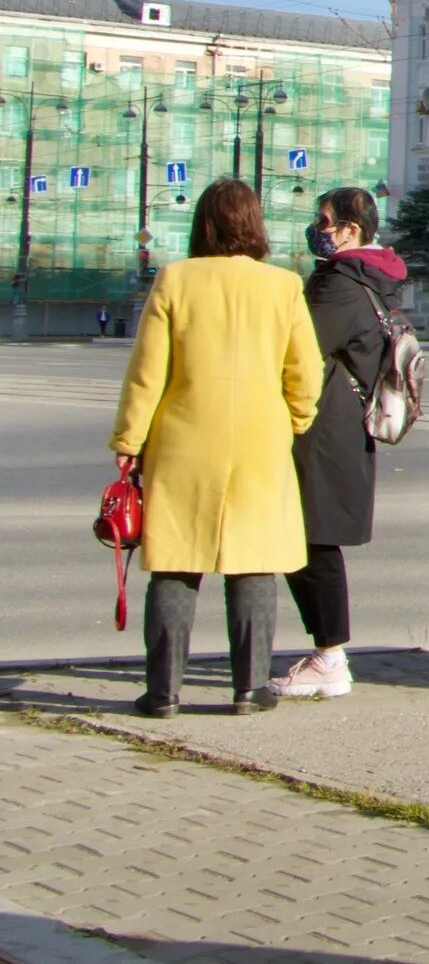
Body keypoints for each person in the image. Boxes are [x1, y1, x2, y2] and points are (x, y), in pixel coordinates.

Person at [108, 178, 325, 717]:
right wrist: (297, 419)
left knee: (175, 563)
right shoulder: (283, 286)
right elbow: (305, 371)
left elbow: (147, 373)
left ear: (201, 224)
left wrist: (129, 440)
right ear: (254, 225)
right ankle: (250, 690)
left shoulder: (176, 280)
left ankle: (163, 693)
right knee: (254, 563)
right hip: (259, 438)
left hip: (183, 438)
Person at [267, 186, 407, 700]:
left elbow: (297, 348)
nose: (316, 228)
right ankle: (328, 653)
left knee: (311, 538)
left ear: (351, 229)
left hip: (322, 424)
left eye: (324, 220)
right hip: (343, 422)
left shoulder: (340, 281)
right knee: (308, 537)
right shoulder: (375, 275)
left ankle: (330, 657)